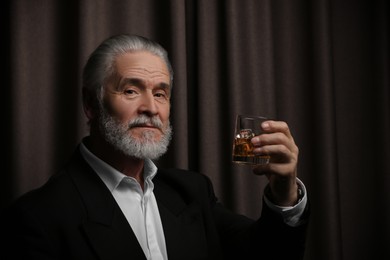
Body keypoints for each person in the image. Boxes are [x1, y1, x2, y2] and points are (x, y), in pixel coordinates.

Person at [1, 34, 309, 260]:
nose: (151, 108)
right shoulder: (37, 218)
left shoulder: (192, 192)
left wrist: (284, 194)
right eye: (131, 90)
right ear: (91, 105)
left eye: (161, 94)